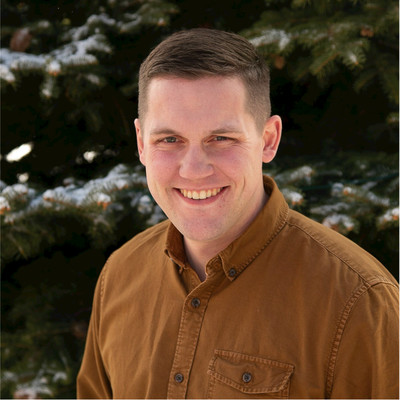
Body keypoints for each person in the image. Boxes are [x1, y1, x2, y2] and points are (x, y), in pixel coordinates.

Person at [77, 28, 399, 399]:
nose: (194, 170)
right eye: (169, 139)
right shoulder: (120, 275)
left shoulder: (359, 301)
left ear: (268, 140)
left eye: (221, 138)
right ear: (141, 144)